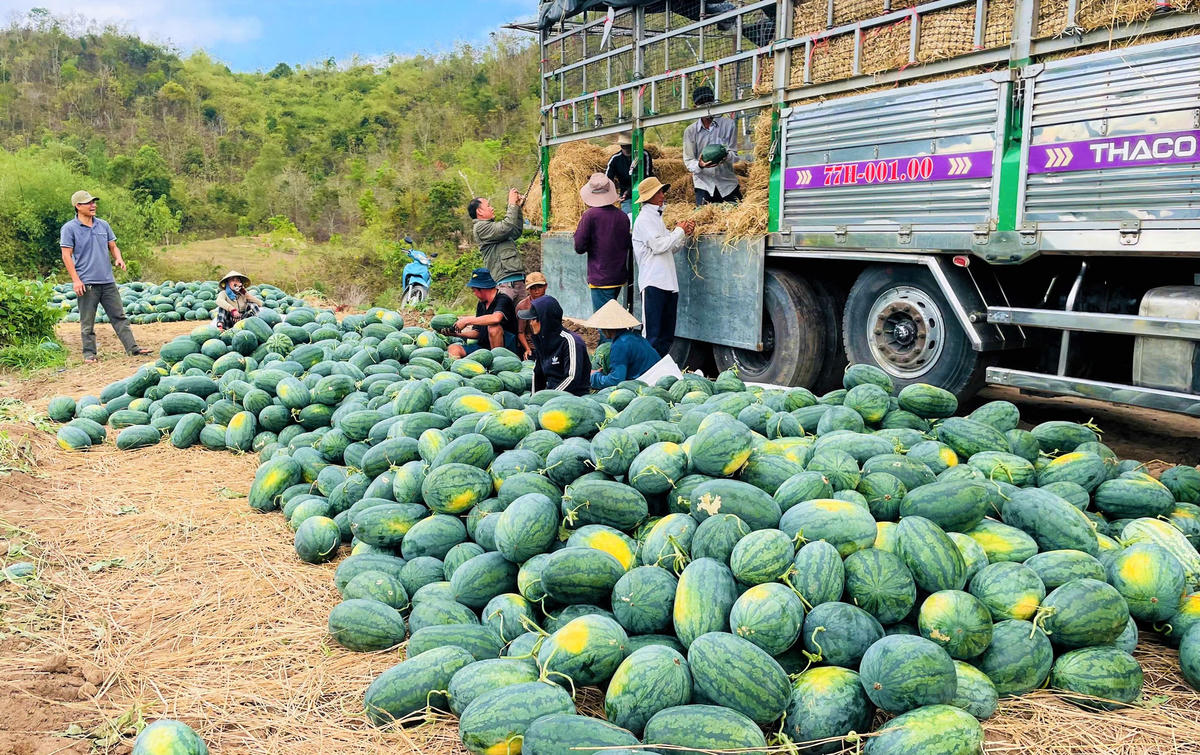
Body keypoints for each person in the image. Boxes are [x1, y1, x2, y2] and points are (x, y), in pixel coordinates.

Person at [59, 190, 150, 364]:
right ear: (78, 206)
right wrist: (76, 280)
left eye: (94, 202)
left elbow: (113, 246)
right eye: (88, 203)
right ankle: (89, 354)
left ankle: (133, 349)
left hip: (107, 281)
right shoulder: (69, 228)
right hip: (87, 283)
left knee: (119, 317)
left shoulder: (103, 225)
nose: (93, 205)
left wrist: (119, 258)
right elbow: (66, 255)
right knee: (88, 322)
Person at [631, 176, 694, 357]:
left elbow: (670, 247)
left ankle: (657, 370)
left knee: (666, 335)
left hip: (667, 283)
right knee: (653, 334)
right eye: (658, 191)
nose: (662, 194)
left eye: (661, 191)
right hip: (653, 283)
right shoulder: (644, 220)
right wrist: (679, 231)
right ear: (649, 196)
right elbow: (659, 246)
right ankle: (647, 373)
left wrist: (684, 234)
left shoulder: (657, 218)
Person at [574, 173, 632, 316]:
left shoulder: (590, 216)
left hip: (600, 276)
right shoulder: (622, 216)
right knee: (613, 316)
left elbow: (579, 246)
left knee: (603, 321)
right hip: (619, 275)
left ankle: (607, 340)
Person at [682, 85, 743, 206]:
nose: (706, 106)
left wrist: (726, 156)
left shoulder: (728, 125)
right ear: (695, 107)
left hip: (727, 184)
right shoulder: (690, 131)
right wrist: (700, 165)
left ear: (714, 102)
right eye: (701, 103)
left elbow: (735, 155)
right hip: (703, 185)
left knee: (737, 218)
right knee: (705, 221)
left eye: (709, 101)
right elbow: (688, 160)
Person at [519, 295, 589, 396]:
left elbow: (572, 378)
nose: (530, 323)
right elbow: (538, 373)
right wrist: (534, 398)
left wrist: (549, 399)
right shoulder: (542, 341)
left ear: (544, 320)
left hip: (574, 397)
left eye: (533, 319)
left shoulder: (570, 342)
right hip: (552, 394)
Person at [583, 300, 662, 389]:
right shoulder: (634, 336)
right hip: (660, 377)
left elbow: (615, 381)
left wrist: (593, 377)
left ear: (607, 329)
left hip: (650, 385)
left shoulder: (620, 345)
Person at [468, 189, 526, 304]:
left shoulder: (493, 227)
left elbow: (515, 231)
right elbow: (507, 227)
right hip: (504, 283)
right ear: (479, 211)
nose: (492, 208)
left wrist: (517, 208)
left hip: (517, 279)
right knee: (504, 318)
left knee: (523, 318)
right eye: (488, 206)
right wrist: (511, 204)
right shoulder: (480, 227)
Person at [446, 268, 520, 358]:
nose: (474, 294)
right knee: (454, 348)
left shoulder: (503, 300)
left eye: (474, 291)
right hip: (483, 348)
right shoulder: (481, 304)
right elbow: (477, 332)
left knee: (493, 328)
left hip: (505, 350)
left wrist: (467, 321)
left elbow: (496, 318)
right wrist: (456, 334)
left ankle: (496, 364)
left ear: (482, 289)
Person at [606, 132, 654, 216]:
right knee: (628, 217)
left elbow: (646, 177)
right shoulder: (615, 159)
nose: (626, 149)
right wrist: (613, 195)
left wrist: (629, 191)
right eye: (623, 146)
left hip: (645, 193)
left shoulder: (643, 155)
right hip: (626, 197)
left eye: (628, 146)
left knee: (648, 215)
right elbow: (607, 180)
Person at [516, 271, 548, 360]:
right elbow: (521, 332)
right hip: (532, 346)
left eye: (540, 287)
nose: (536, 290)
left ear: (546, 286)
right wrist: (527, 349)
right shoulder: (523, 306)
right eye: (532, 288)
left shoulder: (550, 303)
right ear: (528, 289)